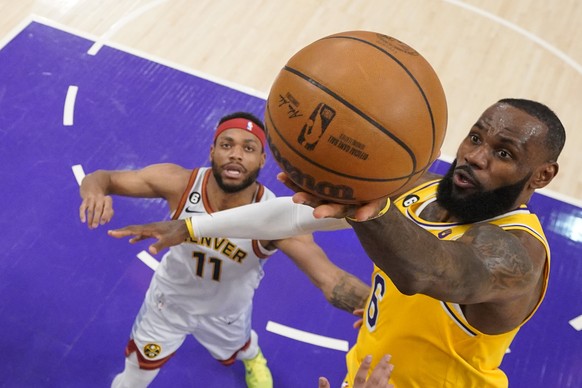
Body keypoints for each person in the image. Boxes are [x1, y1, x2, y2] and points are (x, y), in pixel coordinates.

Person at [109, 98, 566, 387]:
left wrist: (369, 208)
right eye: (475, 137)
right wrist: (191, 227)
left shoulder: (518, 254)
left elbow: (434, 271)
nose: (475, 157)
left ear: (542, 176)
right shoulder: (424, 190)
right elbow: (297, 214)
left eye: (503, 154)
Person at [80, 111, 371, 388]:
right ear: (212, 151)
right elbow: (103, 177)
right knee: (134, 377)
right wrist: (94, 192)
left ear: (261, 160)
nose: (235, 154)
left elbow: (330, 278)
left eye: (248, 148)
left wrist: (379, 305)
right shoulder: (180, 183)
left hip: (227, 313)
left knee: (241, 347)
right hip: (168, 304)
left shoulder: (274, 216)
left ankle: (253, 357)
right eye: (226, 144)